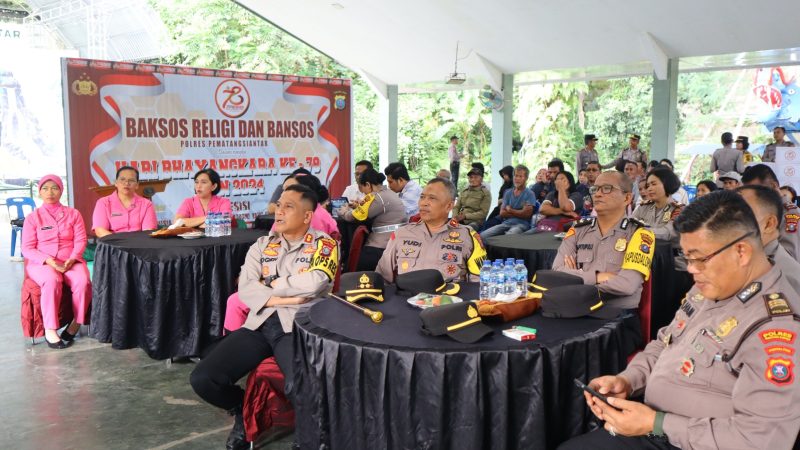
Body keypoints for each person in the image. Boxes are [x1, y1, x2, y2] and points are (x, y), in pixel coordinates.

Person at [559, 190, 800, 450]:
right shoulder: (711, 285)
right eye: (688, 258)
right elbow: (665, 342)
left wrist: (657, 423)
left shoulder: (776, 326)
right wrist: (629, 380)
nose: (691, 269)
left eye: (699, 258)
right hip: (656, 425)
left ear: (741, 252)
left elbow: (761, 440)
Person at [190, 184, 337, 450]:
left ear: (306, 216)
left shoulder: (324, 244)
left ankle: (309, 438)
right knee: (204, 378)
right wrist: (286, 296)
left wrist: (270, 286)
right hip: (259, 323)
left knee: (299, 384)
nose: (278, 211)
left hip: (297, 326)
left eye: (288, 206)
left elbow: (315, 282)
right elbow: (245, 289)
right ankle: (242, 410)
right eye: (279, 205)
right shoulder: (262, 244)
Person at [552, 171, 654, 311]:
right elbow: (557, 273)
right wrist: (598, 277)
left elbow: (627, 285)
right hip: (577, 309)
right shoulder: (578, 229)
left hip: (616, 318)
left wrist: (576, 280)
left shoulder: (639, 234)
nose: (597, 194)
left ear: (627, 198)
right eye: (595, 189)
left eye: (607, 188)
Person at [22, 174, 91, 349]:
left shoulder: (73, 214)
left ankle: (76, 323)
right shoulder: (33, 217)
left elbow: (81, 240)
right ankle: (50, 329)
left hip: (71, 260)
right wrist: (48, 260)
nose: (50, 192)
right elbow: (27, 248)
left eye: (54, 188)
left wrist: (73, 258)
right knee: (52, 280)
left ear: (61, 190)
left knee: (83, 282)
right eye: (45, 188)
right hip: (42, 263)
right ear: (39, 192)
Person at [376, 177, 486, 283]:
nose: (424, 203)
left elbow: (479, 284)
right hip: (407, 299)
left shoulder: (467, 236)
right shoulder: (402, 234)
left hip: (449, 300)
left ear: (449, 206)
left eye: (432, 198)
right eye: (422, 197)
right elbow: (381, 278)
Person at [632, 167, 691, 298]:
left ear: (667, 184)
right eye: (648, 185)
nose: (649, 189)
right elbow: (629, 226)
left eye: (654, 184)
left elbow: (668, 234)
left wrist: (640, 231)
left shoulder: (679, 210)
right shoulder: (643, 208)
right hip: (646, 263)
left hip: (673, 265)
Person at [738, 185, 800, 293]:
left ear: (768, 224)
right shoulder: (739, 259)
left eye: (741, 216)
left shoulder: (785, 277)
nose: (726, 224)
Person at [341, 168, 407, 270]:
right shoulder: (388, 193)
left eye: (364, 191)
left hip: (381, 245)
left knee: (354, 268)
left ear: (368, 184)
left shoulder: (376, 197)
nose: (365, 195)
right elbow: (368, 209)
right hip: (395, 241)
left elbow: (352, 217)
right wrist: (358, 206)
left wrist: (343, 212)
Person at [741, 164, 800, 258]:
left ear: (773, 185)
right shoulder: (755, 212)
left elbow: (789, 255)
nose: (753, 197)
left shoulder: (790, 214)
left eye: (758, 192)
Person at [92, 166, 157, 237]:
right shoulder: (103, 203)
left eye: (131, 180)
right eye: (122, 179)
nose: (126, 183)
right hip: (111, 244)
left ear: (137, 185)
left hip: (139, 245)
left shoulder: (147, 204)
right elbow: (100, 231)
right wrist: (120, 244)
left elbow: (148, 232)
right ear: (116, 183)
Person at [480, 165, 537, 238]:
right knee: (482, 236)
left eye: (520, 176)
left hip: (521, 225)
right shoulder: (508, 193)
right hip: (505, 223)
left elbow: (527, 215)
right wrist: (520, 211)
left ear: (526, 178)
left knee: (507, 238)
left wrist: (510, 210)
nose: (517, 179)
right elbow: (502, 213)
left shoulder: (530, 193)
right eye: (516, 176)